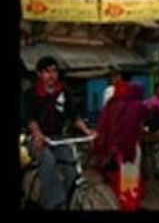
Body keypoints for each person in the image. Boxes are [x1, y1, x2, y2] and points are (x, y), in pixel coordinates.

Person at [22, 56, 94, 209]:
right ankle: (55, 203)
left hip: (58, 138)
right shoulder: (31, 93)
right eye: (47, 72)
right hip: (37, 138)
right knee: (48, 160)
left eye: (54, 71)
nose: (52, 75)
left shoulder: (63, 91)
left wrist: (88, 131)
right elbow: (30, 119)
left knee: (71, 165)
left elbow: (74, 116)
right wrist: (38, 134)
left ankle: (71, 199)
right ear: (39, 74)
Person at [93, 81, 151, 211]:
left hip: (114, 147)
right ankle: (130, 204)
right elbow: (146, 115)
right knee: (131, 175)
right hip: (129, 146)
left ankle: (124, 201)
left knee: (121, 176)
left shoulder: (111, 105)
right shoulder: (135, 106)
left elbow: (104, 127)